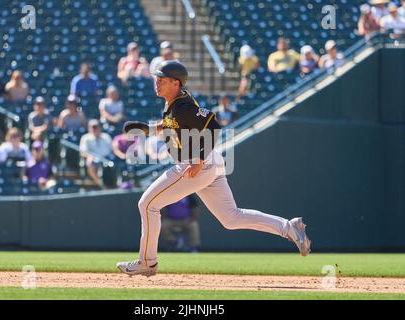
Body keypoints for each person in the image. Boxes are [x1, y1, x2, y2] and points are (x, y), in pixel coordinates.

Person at [116, 61, 311, 277]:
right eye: (157, 78)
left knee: (147, 204)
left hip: (196, 164)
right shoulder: (176, 102)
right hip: (210, 162)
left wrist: (198, 158)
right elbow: (175, 124)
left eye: (162, 79)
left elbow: (213, 126)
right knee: (231, 218)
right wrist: (149, 129)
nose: (157, 82)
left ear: (175, 82)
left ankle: (147, 262)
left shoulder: (183, 106)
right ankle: (289, 227)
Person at [79, 119, 113, 188]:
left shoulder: (106, 137)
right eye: (92, 127)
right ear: (89, 128)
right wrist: (90, 157)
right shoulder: (86, 138)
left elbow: (111, 150)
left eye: (96, 127)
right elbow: (83, 152)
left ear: (100, 128)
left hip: (106, 160)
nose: (94, 129)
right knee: (89, 162)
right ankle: (100, 184)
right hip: (94, 160)